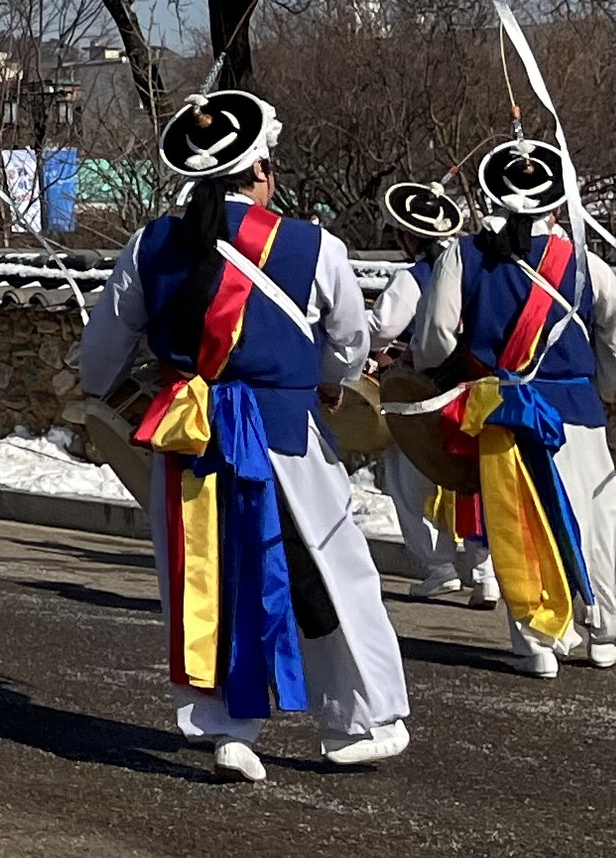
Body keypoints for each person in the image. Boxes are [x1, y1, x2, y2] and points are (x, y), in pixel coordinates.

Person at [74, 89, 411, 783]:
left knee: (207, 577)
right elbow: (346, 349)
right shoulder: (314, 245)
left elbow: (100, 360)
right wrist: (314, 376)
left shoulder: (149, 245)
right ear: (260, 170)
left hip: (190, 434)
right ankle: (355, 722)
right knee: (327, 570)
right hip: (285, 435)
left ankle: (228, 728)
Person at [414, 135, 616, 678]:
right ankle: (606, 632)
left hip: (504, 410)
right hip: (576, 410)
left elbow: (435, 340)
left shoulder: (463, 257)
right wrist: (600, 383)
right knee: (598, 520)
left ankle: (537, 639)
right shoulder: (587, 264)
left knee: (518, 521)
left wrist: (448, 374)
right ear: (558, 201)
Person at [368, 178, 492, 606]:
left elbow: (380, 328)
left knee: (408, 478)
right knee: (471, 476)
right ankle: (484, 569)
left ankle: (439, 565)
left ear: (408, 236)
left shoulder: (416, 276)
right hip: (473, 387)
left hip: (426, 389)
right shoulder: (478, 269)